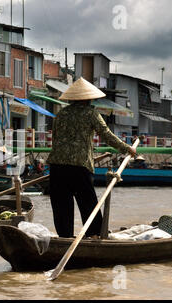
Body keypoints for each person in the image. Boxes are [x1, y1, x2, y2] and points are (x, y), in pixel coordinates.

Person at [47, 77, 137, 239]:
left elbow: (56, 138)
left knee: (61, 205)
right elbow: (106, 135)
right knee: (88, 203)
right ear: (88, 99)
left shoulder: (60, 114)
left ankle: (65, 237)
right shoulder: (91, 114)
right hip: (79, 166)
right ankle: (95, 235)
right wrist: (127, 148)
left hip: (57, 166)